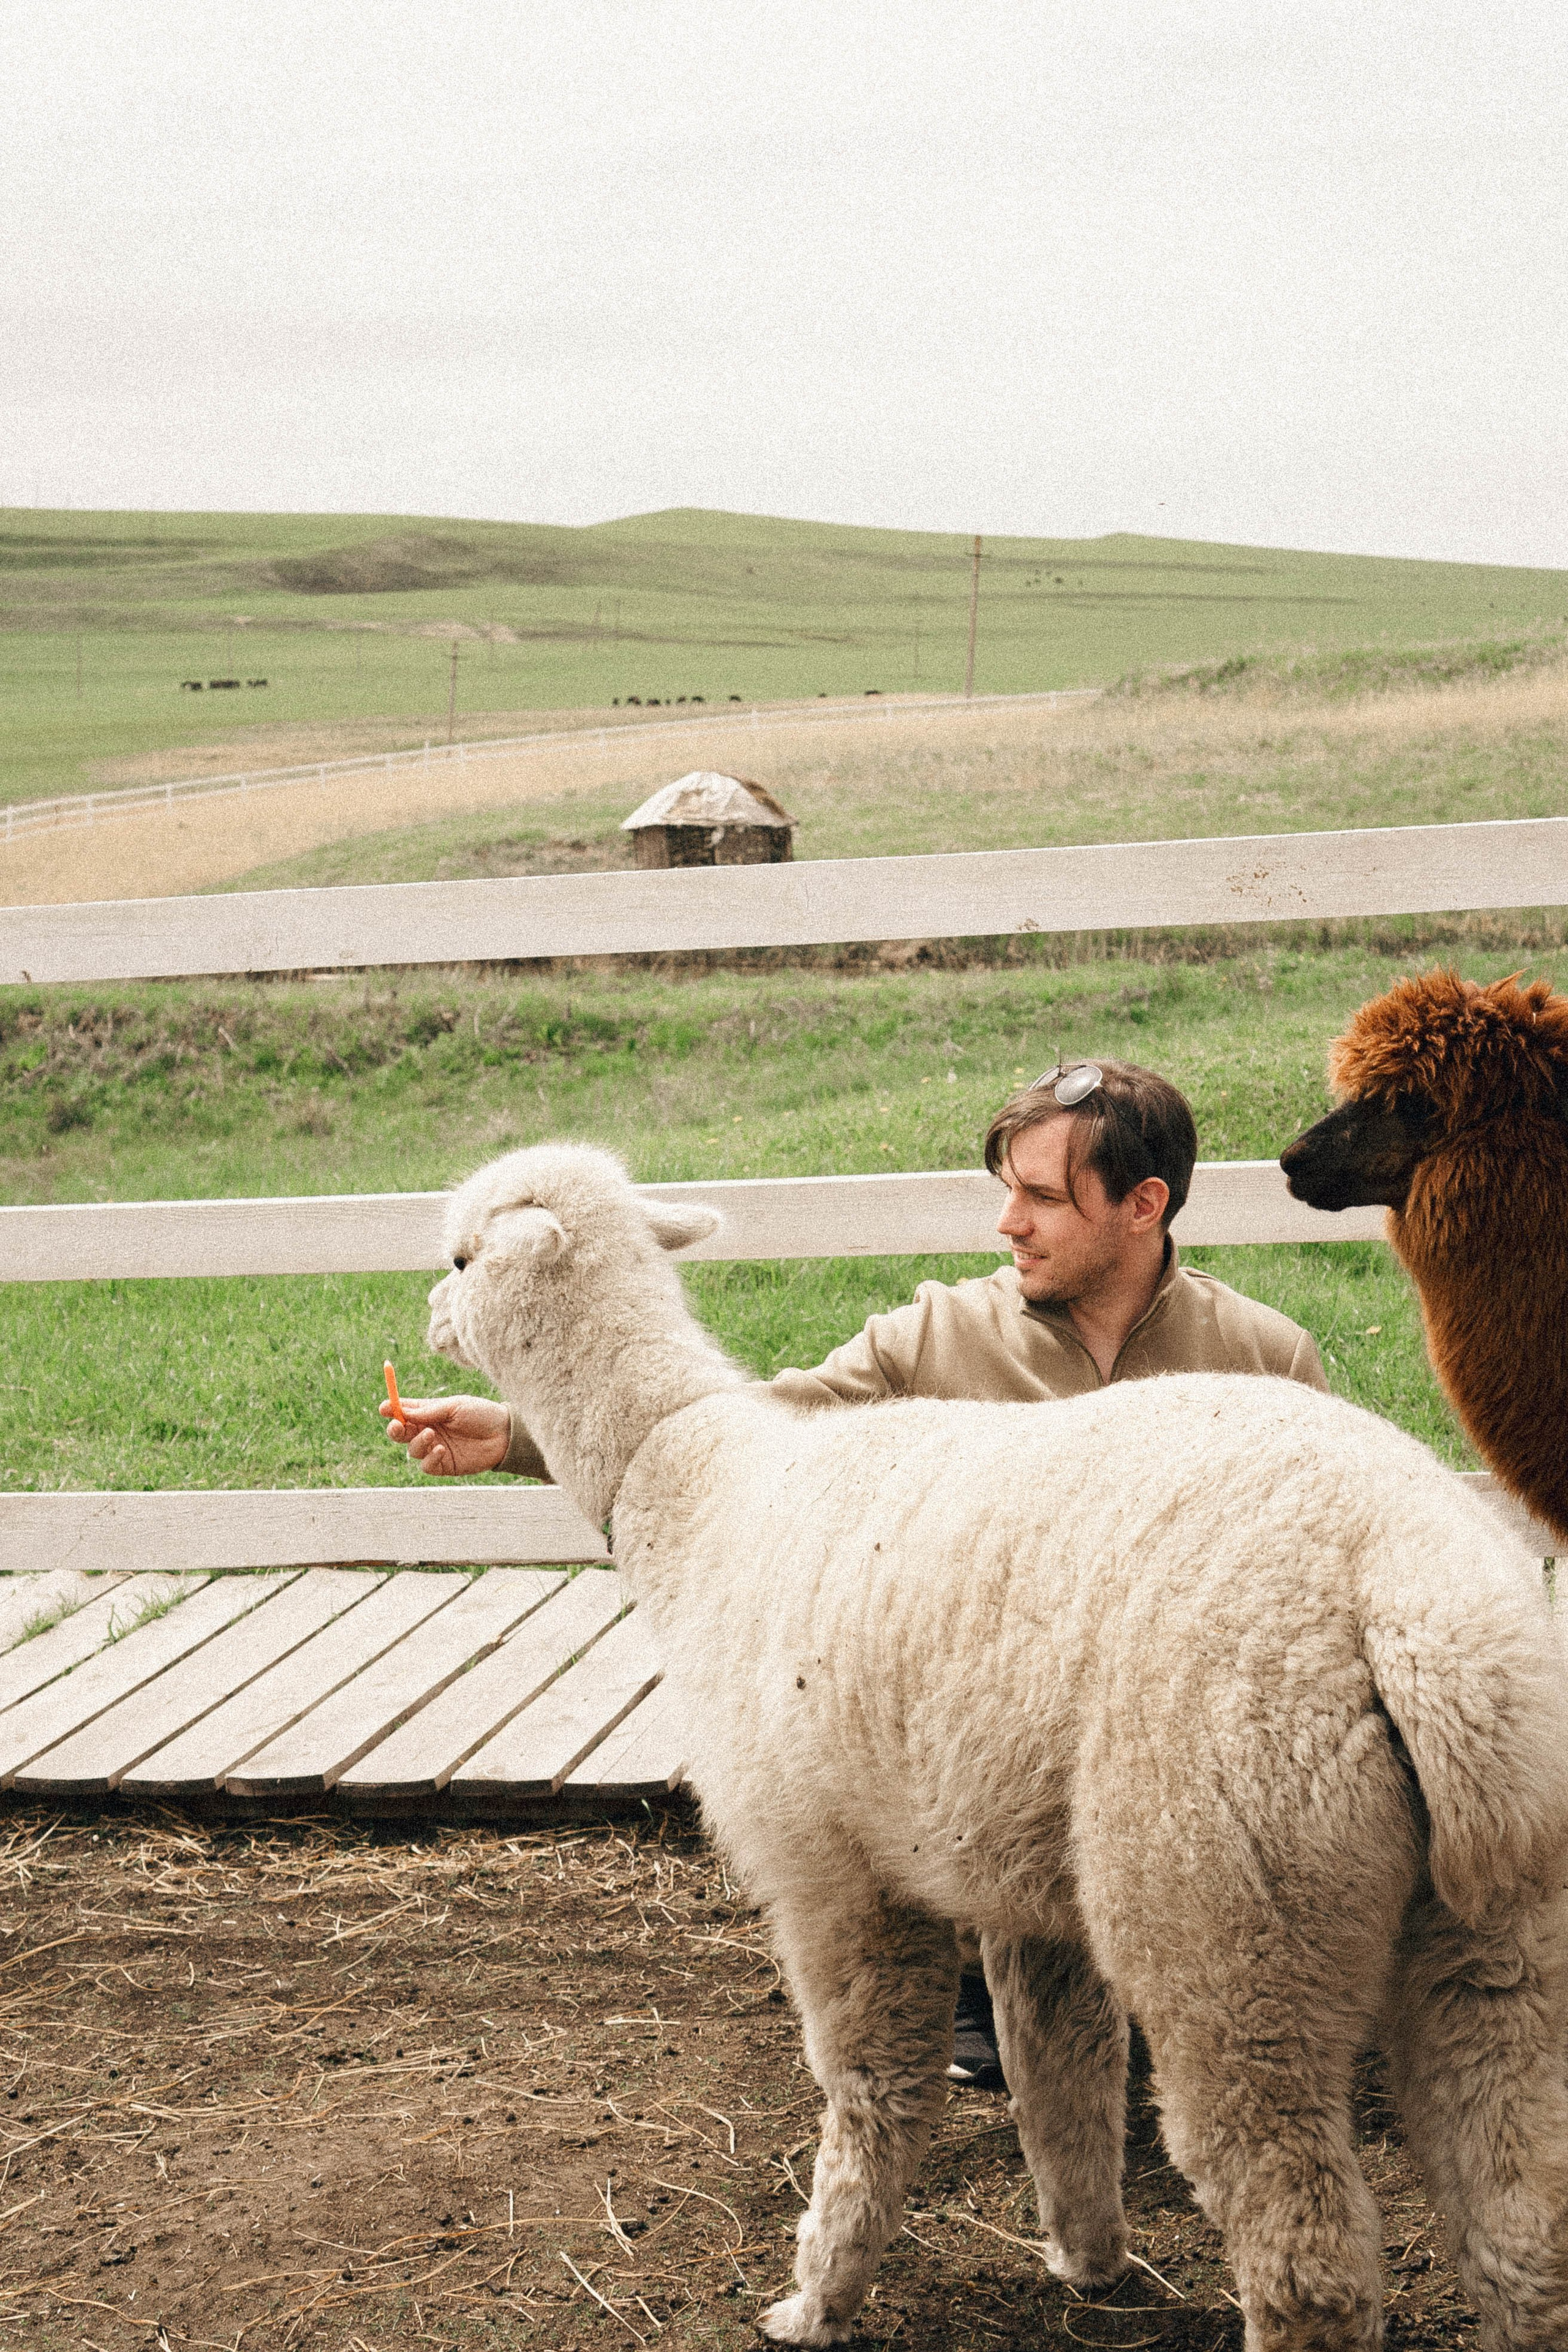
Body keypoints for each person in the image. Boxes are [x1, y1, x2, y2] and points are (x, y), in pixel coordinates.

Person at [383, 1057, 1328, 2082]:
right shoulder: (937, 1337)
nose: (1007, 1223)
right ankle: (974, 1984)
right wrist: (521, 1435)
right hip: (1013, 1787)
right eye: (1006, 1189)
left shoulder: (1263, 1362)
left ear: (1143, 1205)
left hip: (1177, 1773)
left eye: (1043, 1198)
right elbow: (745, 1443)